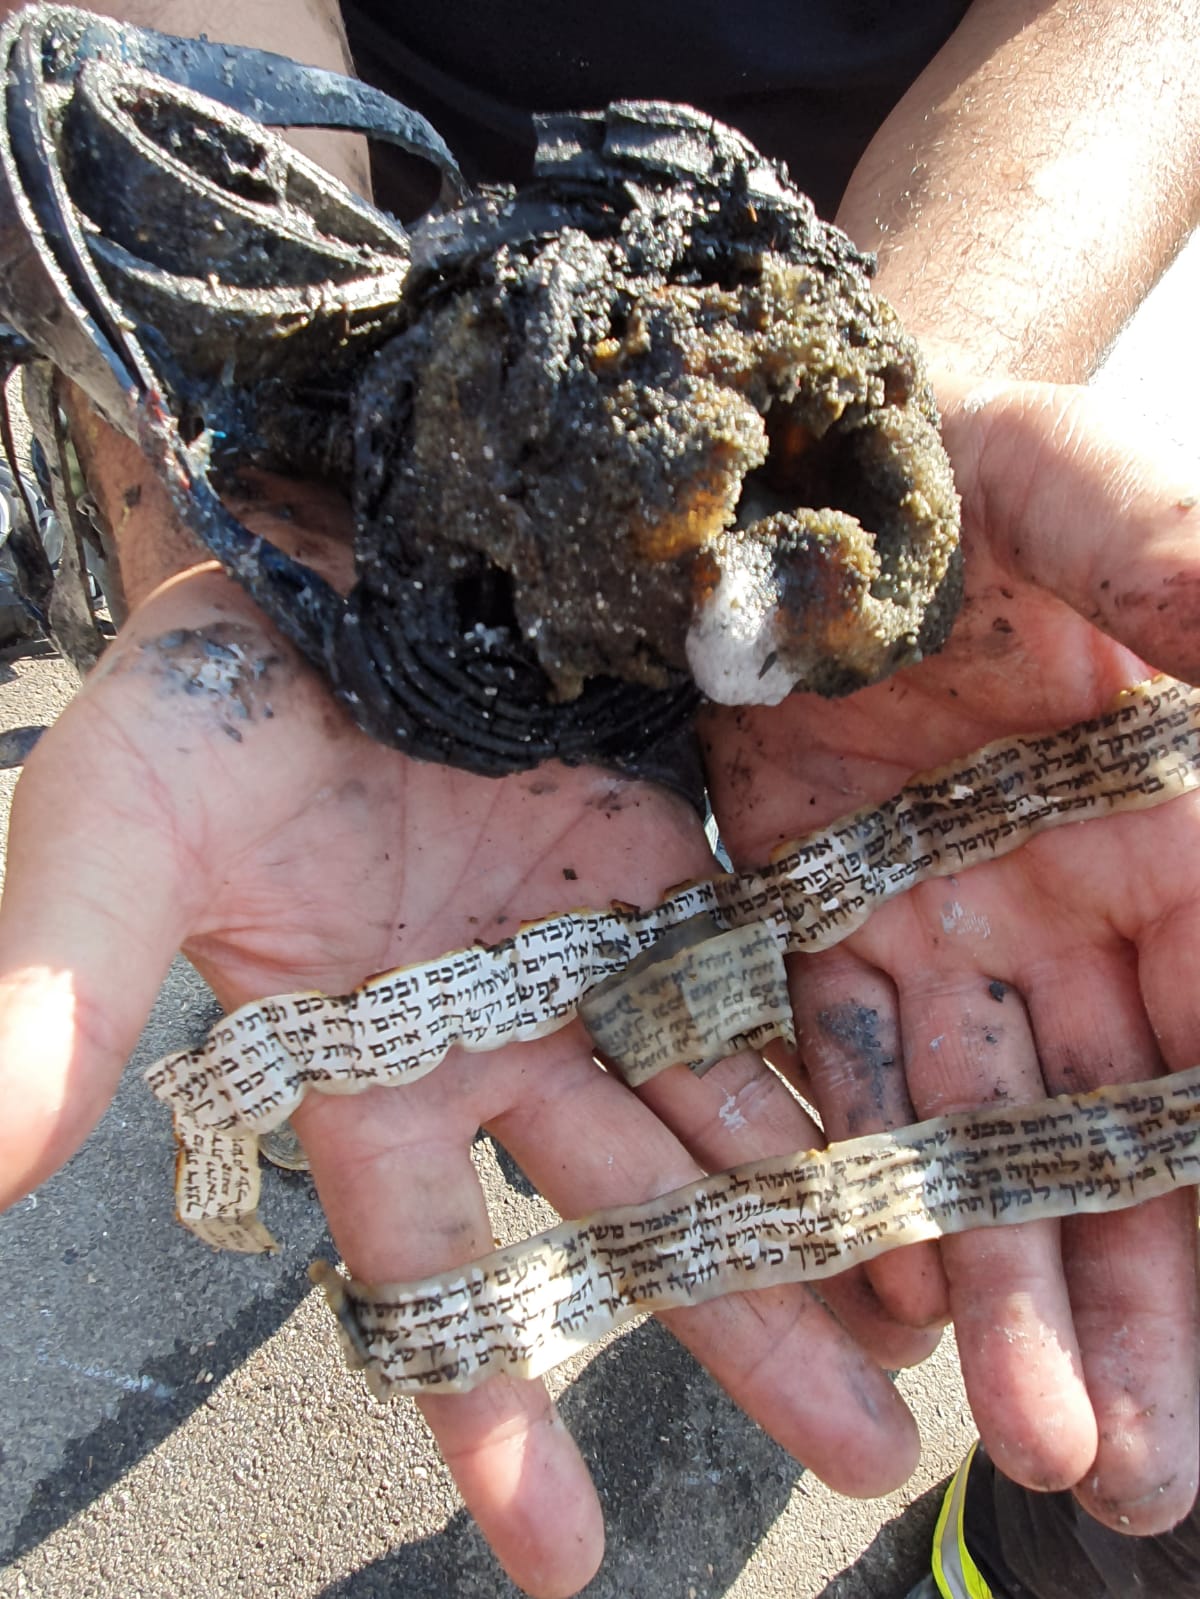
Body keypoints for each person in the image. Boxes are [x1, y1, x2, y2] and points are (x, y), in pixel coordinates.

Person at [1, 3, 1199, 1596]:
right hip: (354, 291)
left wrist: (879, 410)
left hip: (884, 262)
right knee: (351, 964)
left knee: (728, 1016)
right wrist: (243, 506)